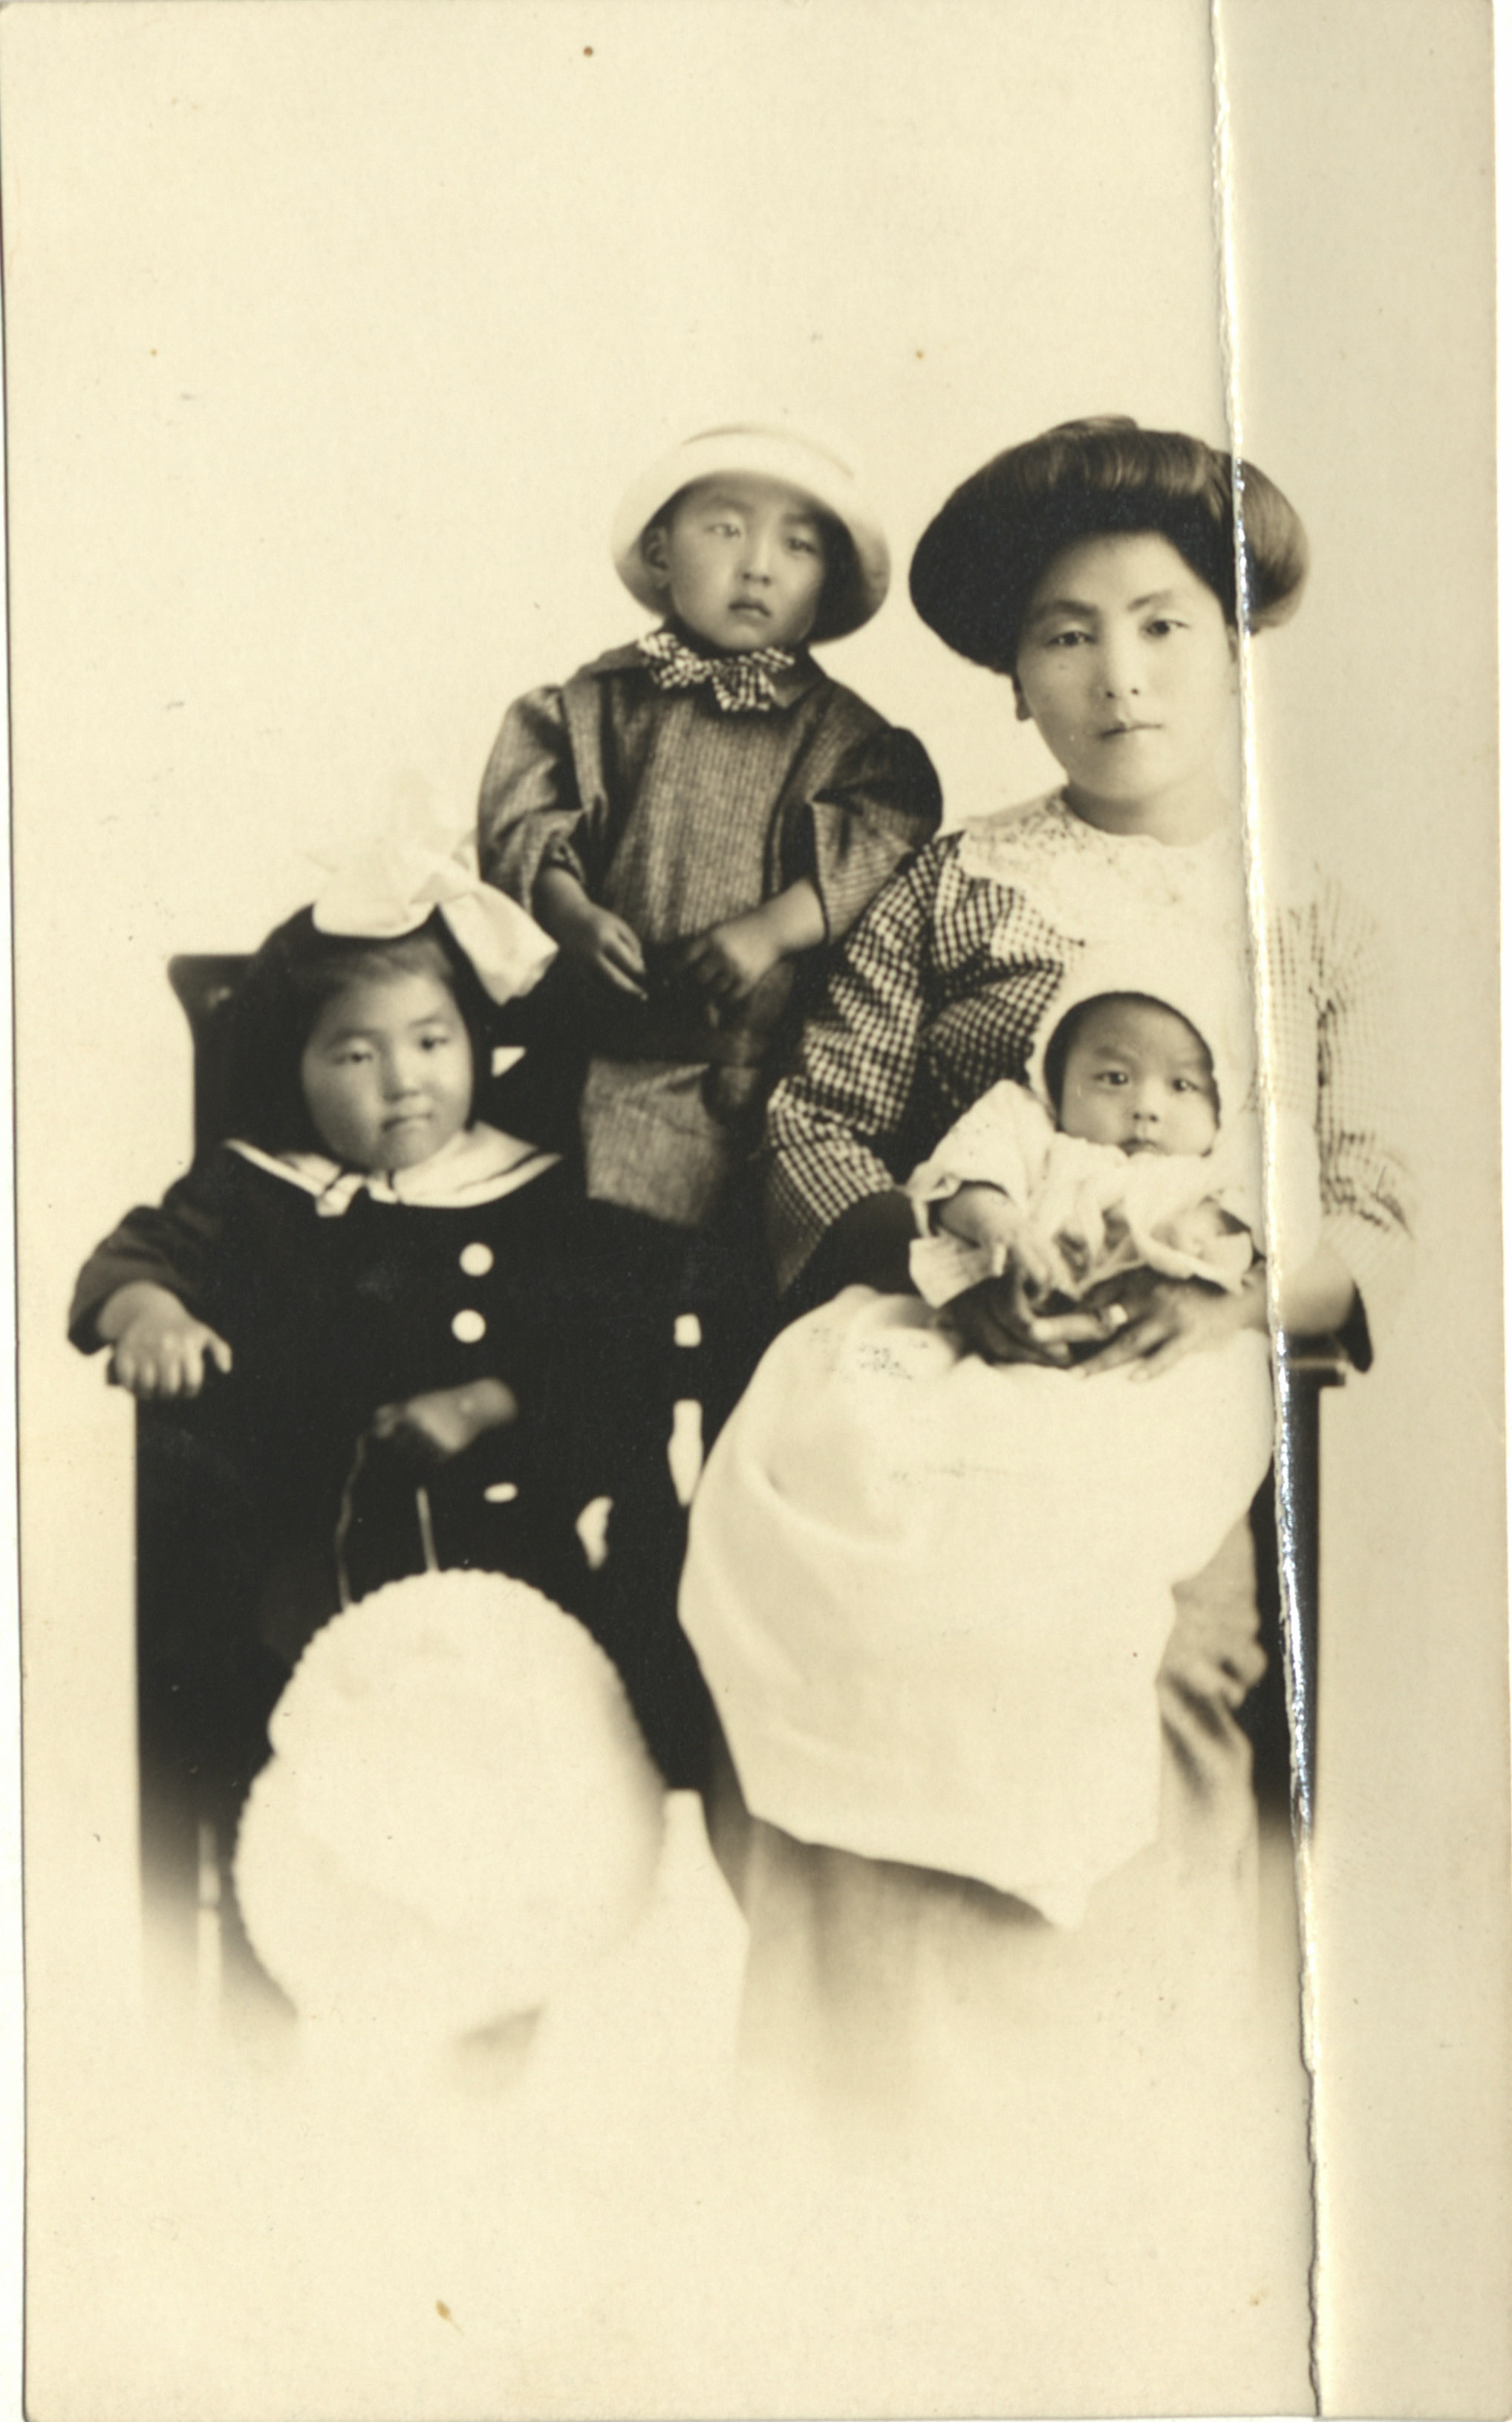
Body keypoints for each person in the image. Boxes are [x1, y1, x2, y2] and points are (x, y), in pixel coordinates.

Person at [725, 417, 1412, 2105]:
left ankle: (1126, 2116)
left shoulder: (1319, 901)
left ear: (1232, 644)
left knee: (1117, 1638)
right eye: (1066, 634)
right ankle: (852, 2106)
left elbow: (1386, 1197)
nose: (1120, 675)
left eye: (1164, 623)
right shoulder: (955, 883)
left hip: (1190, 1363)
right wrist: (948, 1262)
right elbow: (820, 1119)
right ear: (1014, 679)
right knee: (864, 1590)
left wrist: (1224, 1300)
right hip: (950, 1332)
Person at [476, 423, 942, 1783]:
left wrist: (775, 927)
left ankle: (736, 1643)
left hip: (762, 1099)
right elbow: (524, 817)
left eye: (799, 545)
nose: (758, 565)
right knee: (599, 1362)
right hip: (610, 1082)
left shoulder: (845, 737)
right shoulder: (596, 703)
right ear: (662, 549)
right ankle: (615, 1581)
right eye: (726, 527)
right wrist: (573, 911)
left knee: (753, 1383)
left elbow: (889, 833)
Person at [682, 937, 1298, 1934]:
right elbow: (957, 1179)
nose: (1146, 1107)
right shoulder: (1027, 1124)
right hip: (985, 1334)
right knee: (864, 1455)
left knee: (1085, 1560)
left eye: (1183, 1086)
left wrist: (1205, 1258)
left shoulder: (1216, 1165)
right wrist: (998, 1236)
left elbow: (1277, 1216)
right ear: (1058, 1076)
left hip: (1144, 1370)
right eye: (1112, 1077)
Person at [68, 839, 599, 1823]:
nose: (403, 1080)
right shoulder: (256, 1188)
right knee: (283, 1732)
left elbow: (585, 1346)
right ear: (296, 1067)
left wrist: (482, 1402)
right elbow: (140, 1253)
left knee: (505, 1754)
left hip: (492, 1550)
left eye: (432, 1042)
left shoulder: (530, 1191)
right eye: (357, 1054)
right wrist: (151, 1313)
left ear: (475, 1041)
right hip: (298, 1563)